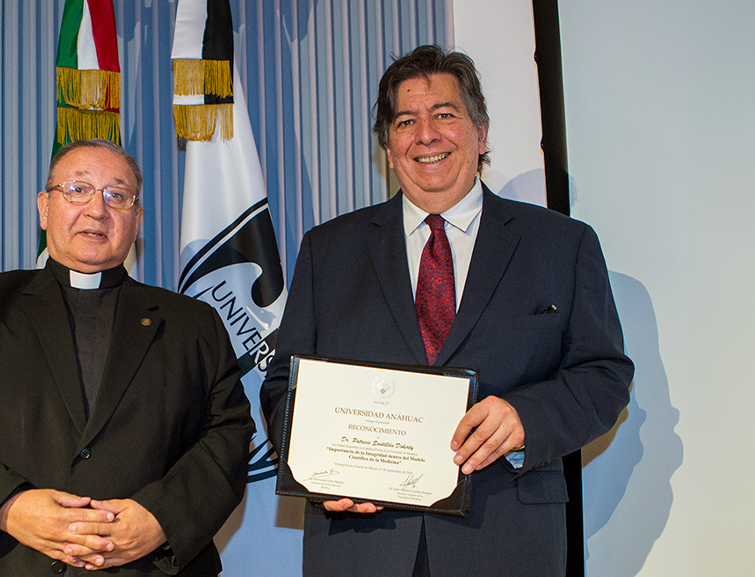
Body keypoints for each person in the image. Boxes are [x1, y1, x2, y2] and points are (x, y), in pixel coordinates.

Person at [260, 45, 633, 576]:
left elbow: (604, 376)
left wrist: (526, 417)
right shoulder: (329, 250)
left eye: (444, 115)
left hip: (507, 543)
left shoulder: (560, 244)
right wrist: (317, 471)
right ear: (388, 148)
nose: (426, 135)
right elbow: (282, 388)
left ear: (480, 134)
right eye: (406, 121)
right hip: (361, 546)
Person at [0, 139, 254, 576]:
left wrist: (161, 519)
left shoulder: (193, 325)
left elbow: (229, 434)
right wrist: (7, 506)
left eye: (116, 196)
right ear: (44, 209)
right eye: (78, 190)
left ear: (136, 220)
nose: (97, 209)